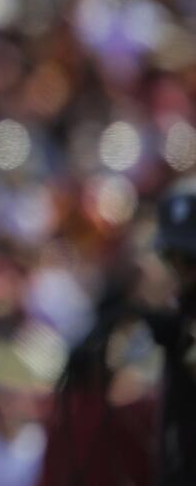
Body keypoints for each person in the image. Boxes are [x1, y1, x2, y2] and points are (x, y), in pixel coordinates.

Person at [143, 181, 196, 484]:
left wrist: (185, 342)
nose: (181, 267)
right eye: (172, 256)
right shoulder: (176, 310)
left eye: (190, 259)